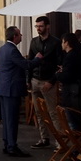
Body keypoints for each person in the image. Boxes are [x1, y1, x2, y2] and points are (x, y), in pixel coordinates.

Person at [0, 26, 39, 157]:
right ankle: (12, 146)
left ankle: (7, 142)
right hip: (11, 89)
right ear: (14, 36)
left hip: (3, 88)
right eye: (19, 34)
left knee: (7, 118)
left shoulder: (2, 49)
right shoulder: (12, 50)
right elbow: (26, 65)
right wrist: (38, 58)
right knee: (12, 118)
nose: (21, 36)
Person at [29, 16, 62, 149]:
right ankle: (44, 138)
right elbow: (30, 61)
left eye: (41, 26)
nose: (38, 29)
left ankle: (60, 142)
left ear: (47, 26)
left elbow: (60, 65)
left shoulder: (55, 42)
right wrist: (29, 81)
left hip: (48, 81)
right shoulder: (34, 41)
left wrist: (52, 81)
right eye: (37, 26)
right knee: (38, 112)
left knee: (53, 112)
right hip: (35, 79)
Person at [56, 32, 81, 134]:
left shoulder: (71, 56)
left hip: (73, 94)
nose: (61, 44)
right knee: (77, 121)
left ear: (66, 43)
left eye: (62, 42)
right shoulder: (78, 55)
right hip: (79, 92)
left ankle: (79, 145)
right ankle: (79, 144)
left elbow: (68, 76)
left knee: (74, 122)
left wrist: (58, 75)